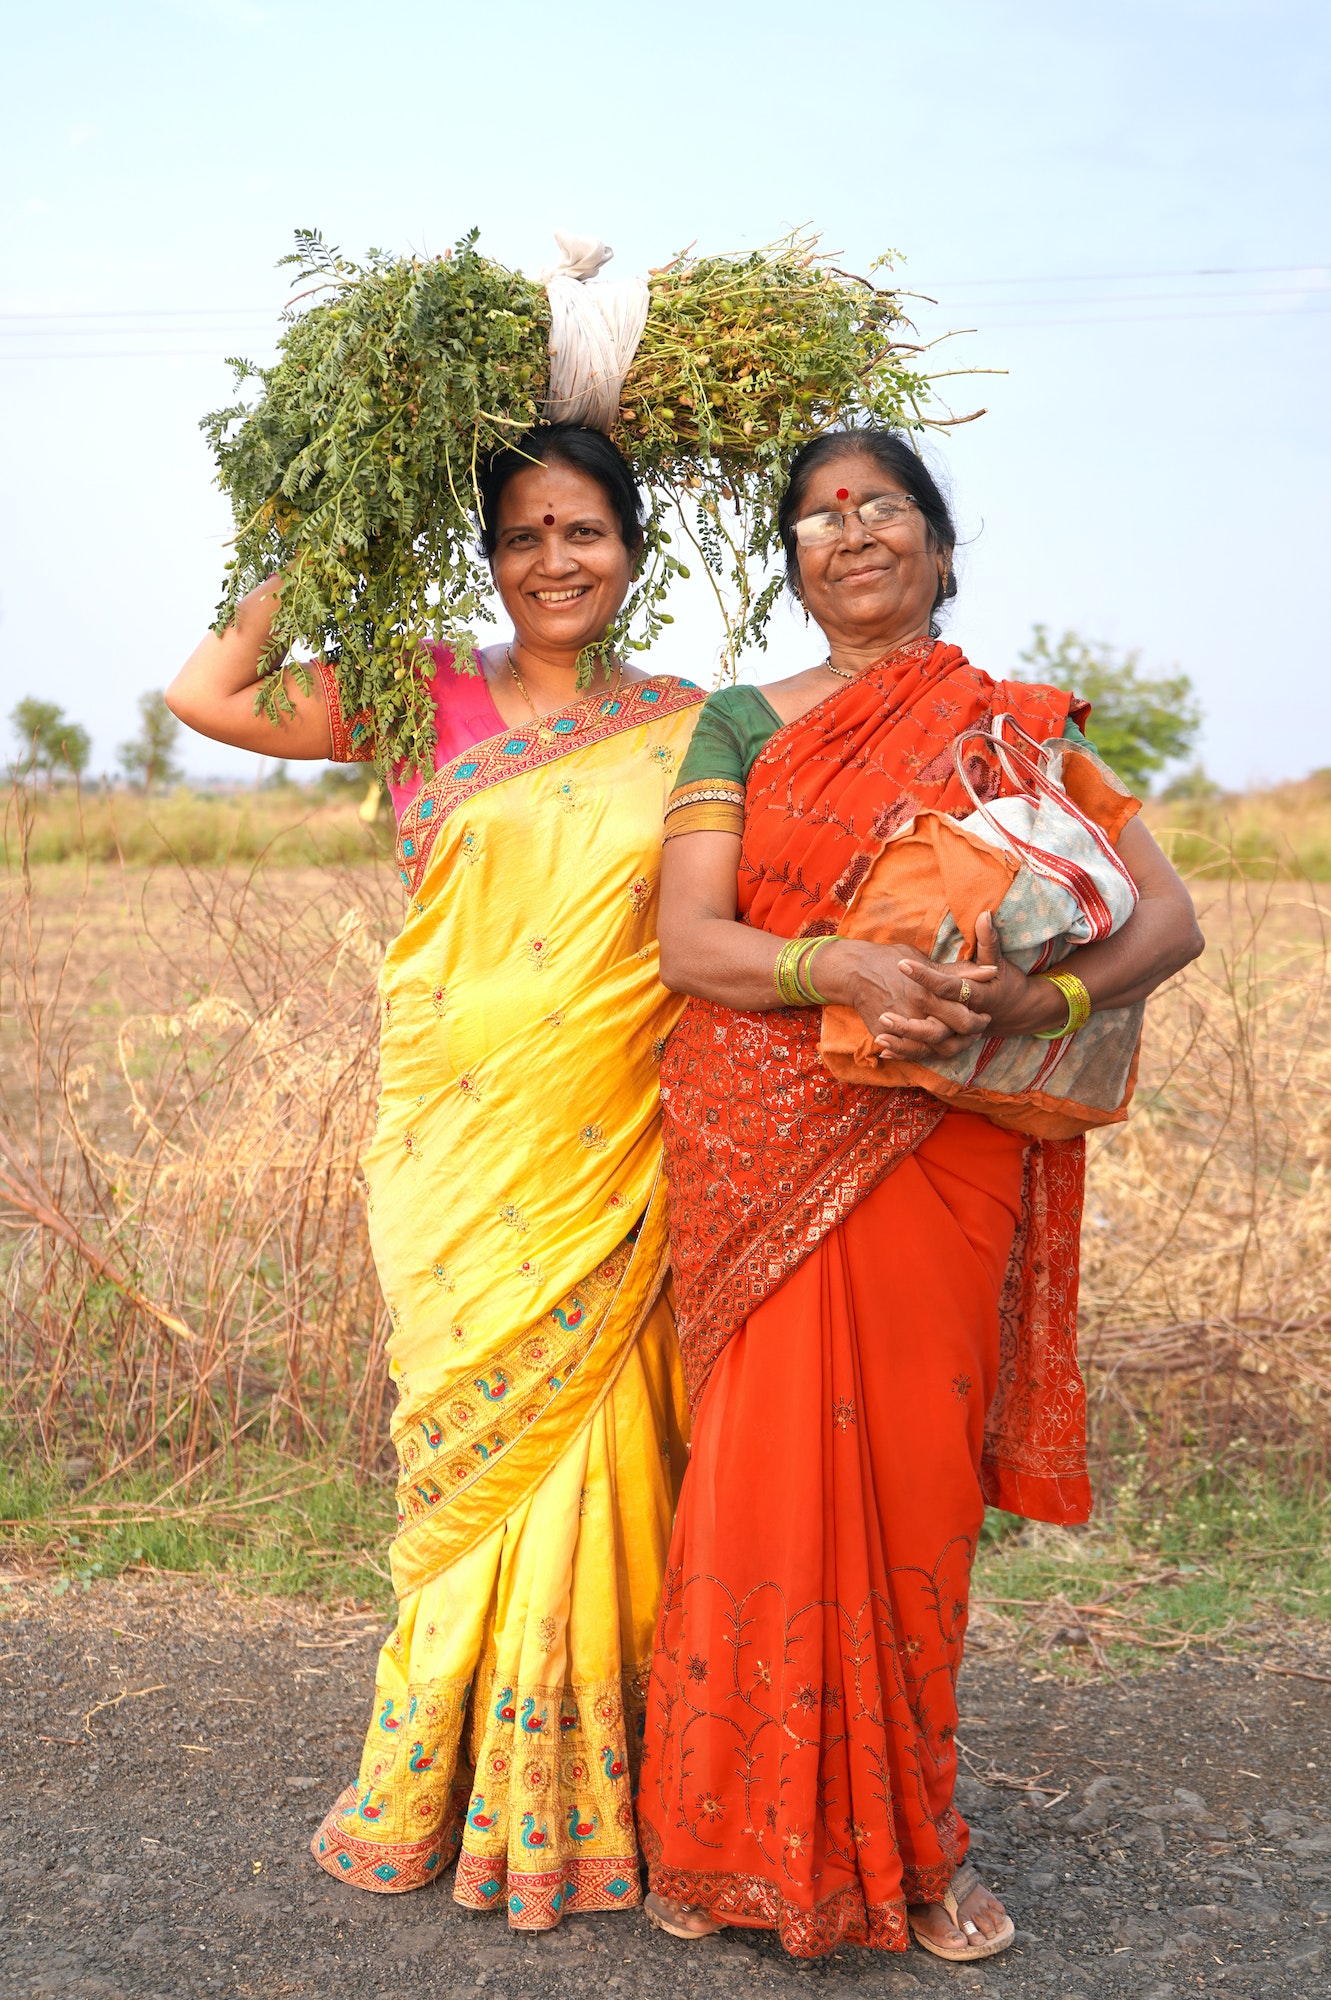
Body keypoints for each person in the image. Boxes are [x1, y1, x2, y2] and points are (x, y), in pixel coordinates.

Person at [635, 428, 1203, 1961]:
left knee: (910, 1499)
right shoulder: (737, 729)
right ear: (795, 567)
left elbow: (1166, 919)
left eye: (880, 505)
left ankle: (913, 1848)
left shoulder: (1017, 735)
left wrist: (1042, 1007)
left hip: (940, 1148)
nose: (850, 531)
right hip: (763, 1146)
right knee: (753, 1488)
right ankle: (720, 1846)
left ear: (940, 548)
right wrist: (837, 966)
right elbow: (693, 943)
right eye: (817, 517)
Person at [166, 425, 705, 1927]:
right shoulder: (417, 687)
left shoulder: (689, 723)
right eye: (523, 532)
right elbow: (204, 695)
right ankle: (445, 1770)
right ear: (486, 554)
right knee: (468, 1450)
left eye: (585, 530)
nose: (555, 559)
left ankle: (608, 1790)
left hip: (613, 1139)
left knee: (601, 1441)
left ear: (634, 552)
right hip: (452, 1142)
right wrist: (317, 510)